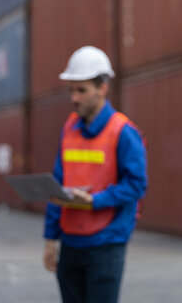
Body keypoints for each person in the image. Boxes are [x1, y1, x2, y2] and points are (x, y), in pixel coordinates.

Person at [42, 46, 147, 303]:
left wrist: (94, 201)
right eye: (71, 90)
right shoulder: (69, 128)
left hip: (106, 246)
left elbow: (136, 185)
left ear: (103, 88)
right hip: (71, 244)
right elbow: (58, 183)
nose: (74, 98)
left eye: (82, 90)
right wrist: (50, 238)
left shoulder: (123, 132)